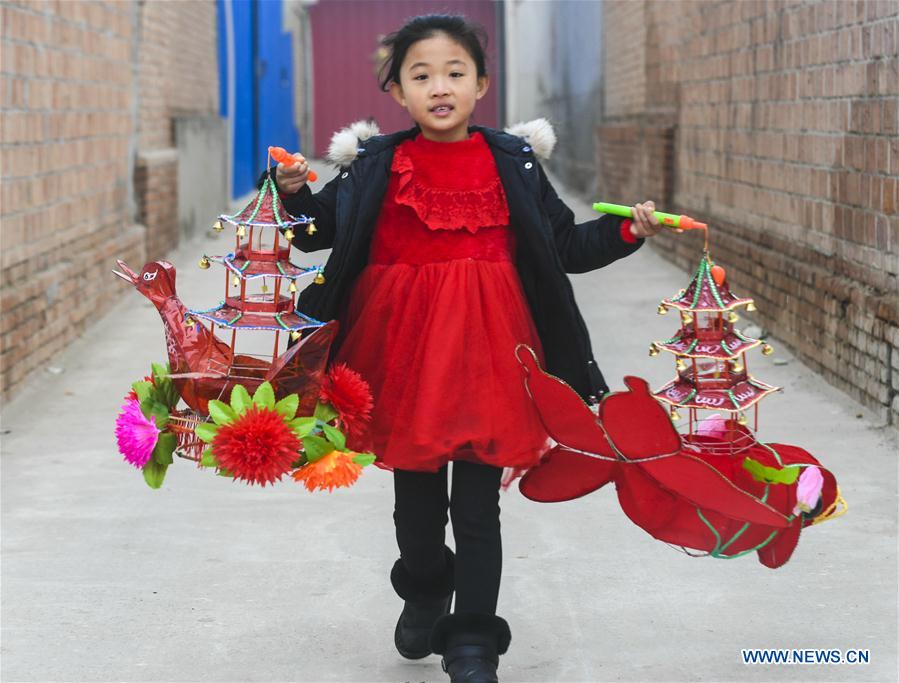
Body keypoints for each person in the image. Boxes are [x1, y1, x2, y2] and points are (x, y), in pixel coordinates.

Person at [260, 14, 662, 683]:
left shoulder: (513, 159)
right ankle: (425, 585)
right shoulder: (377, 163)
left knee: (478, 506)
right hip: (401, 357)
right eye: (420, 76)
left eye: (454, 73)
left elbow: (563, 245)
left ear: (480, 83)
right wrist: (295, 191)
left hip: (492, 358)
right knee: (417, 510)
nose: (438, 86)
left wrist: (625, 233)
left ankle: (472, 642)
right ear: (397, 92)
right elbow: (313, 234)